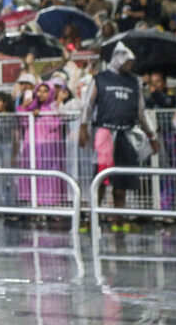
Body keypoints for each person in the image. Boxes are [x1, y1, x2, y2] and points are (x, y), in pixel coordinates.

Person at [80, 43, 159, 232]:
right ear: (119, 59)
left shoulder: (134, 82)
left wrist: (152, 135)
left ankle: (119, 220)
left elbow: (141, 110)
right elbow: (88, 106)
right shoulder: (100, 79)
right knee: (100, 180)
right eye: (128, 62)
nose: (131, 65)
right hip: (105, 134)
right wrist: (83, 127)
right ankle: (93, 220)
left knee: (121, 182)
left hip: (127, 134)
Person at [17, 82, 66, 206]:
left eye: (45, 91)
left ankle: (49, 203)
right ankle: (32, 202)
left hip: (48, 149)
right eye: (39, 91)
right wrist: (25, 107)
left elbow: (54, 125)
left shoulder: (53, 108)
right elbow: (21, 121)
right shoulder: (31, 107)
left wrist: (44, 113)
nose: (41, 94)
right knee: (32, 173)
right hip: (32, 147)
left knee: (48, 175)